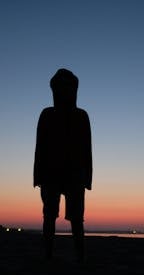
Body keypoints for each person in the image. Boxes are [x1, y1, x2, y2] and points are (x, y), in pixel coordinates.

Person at [33, 68, 92, 261]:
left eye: (69, 87)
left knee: (76, 219)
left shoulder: (82, 116)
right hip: (51, 173)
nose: (64, 91)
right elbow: (39, 147)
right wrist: (38, 176)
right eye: (60, 87)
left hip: (75, 173)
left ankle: (80, 255)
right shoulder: (47, 115)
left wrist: (87, 178)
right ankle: (48, 254)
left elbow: (87, 149)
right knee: (49, 215)